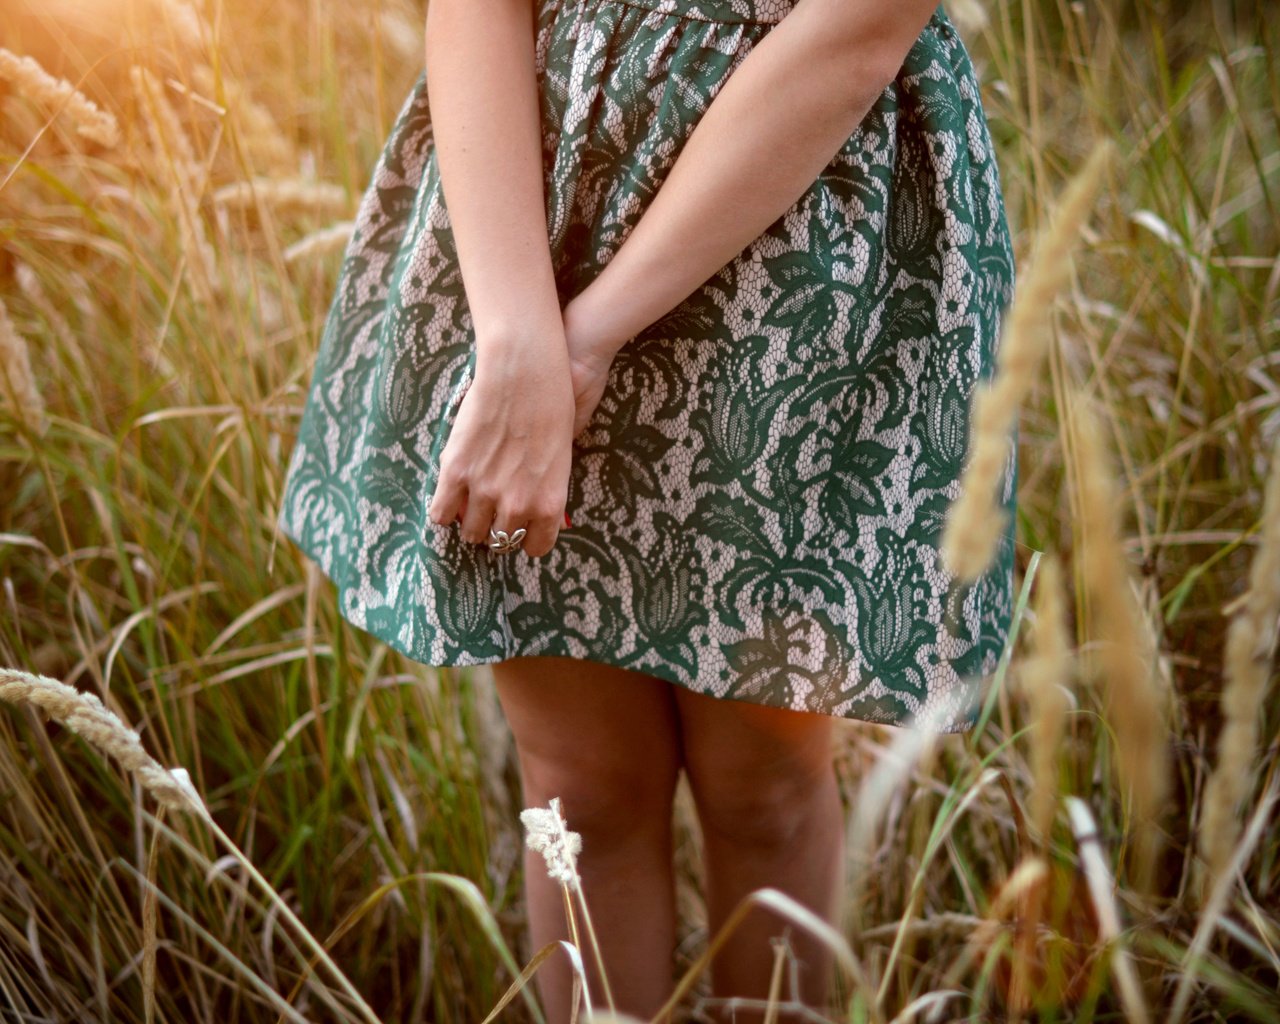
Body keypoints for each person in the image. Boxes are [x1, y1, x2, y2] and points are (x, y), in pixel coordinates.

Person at [275, 0, 1018, 1019]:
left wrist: (586, 340)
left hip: (798, 244)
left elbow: (855, 32)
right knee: (578, 784)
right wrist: (517, 340)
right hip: (534, 219)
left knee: (762, 779)